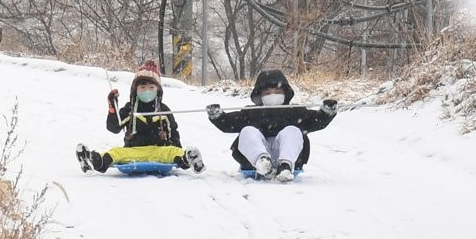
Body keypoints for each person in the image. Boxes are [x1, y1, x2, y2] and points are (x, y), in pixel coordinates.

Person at [205, 69, 337, 182]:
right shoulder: (252, 113)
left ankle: (284, 166)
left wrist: (326, 113)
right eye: (267, 93)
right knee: (247, 131)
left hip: (288, 155)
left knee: (293, 131)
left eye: (277, 92)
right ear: (260, 95)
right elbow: (229, 123)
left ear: (285, 93)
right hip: (255, 158)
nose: (273, 96)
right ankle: (263, 163)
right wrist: (218, 117)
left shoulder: (295, 111)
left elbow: (315, 121)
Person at [76, 59, 205, 174]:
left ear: (157, 90)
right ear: (135, 90)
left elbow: (173, 133)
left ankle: (190, 159)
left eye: (151, 87)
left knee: (173, 151)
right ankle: (94, 161)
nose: (147, 90)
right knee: (116, 152)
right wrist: (112, 107)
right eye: (142, 87)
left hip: (159, 151)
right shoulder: (130, 110)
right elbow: (113, 127)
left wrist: (175, 151)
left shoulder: (163, 111)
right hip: (133, 151)